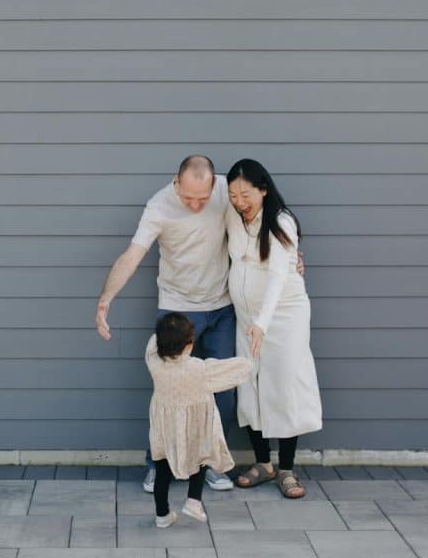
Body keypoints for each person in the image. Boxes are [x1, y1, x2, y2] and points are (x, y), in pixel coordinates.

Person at [96, 155, 238, 493]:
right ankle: (158, 465)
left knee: (224, 394)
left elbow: (259, 221)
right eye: (188, 197)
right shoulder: (159, 205)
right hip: (177, 310)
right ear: (176, 182)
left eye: (202, 199)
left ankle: (211, 465)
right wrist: (105, 300)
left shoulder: (225, 190)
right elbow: (133, 254)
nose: (194, 204)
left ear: (213, 185)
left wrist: (293, 258)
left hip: (221, 307)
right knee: (170, 393)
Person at [225, 158, 322, 499]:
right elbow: (209, 180)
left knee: (283, 384)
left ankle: (287, 469)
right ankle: (263, 463)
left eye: (247, 194)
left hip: (283, 316)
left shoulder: (281, 222)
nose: (239, 201)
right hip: (247, 317)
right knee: (250, 385)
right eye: (233, 194)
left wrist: (262, 324)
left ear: (264, 190)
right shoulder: (233, 216)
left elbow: (280, 276)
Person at [145, 312, 253, 527]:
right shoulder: (200, 369)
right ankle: (193, 501)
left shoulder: (154, 362)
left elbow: (152, 342)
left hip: (164, 431)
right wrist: (250, 359)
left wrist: (163, 332)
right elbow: (232, 370)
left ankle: (162, 515)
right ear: (189, 345)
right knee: (201, 459)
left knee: (162, 473)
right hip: (196, 428)